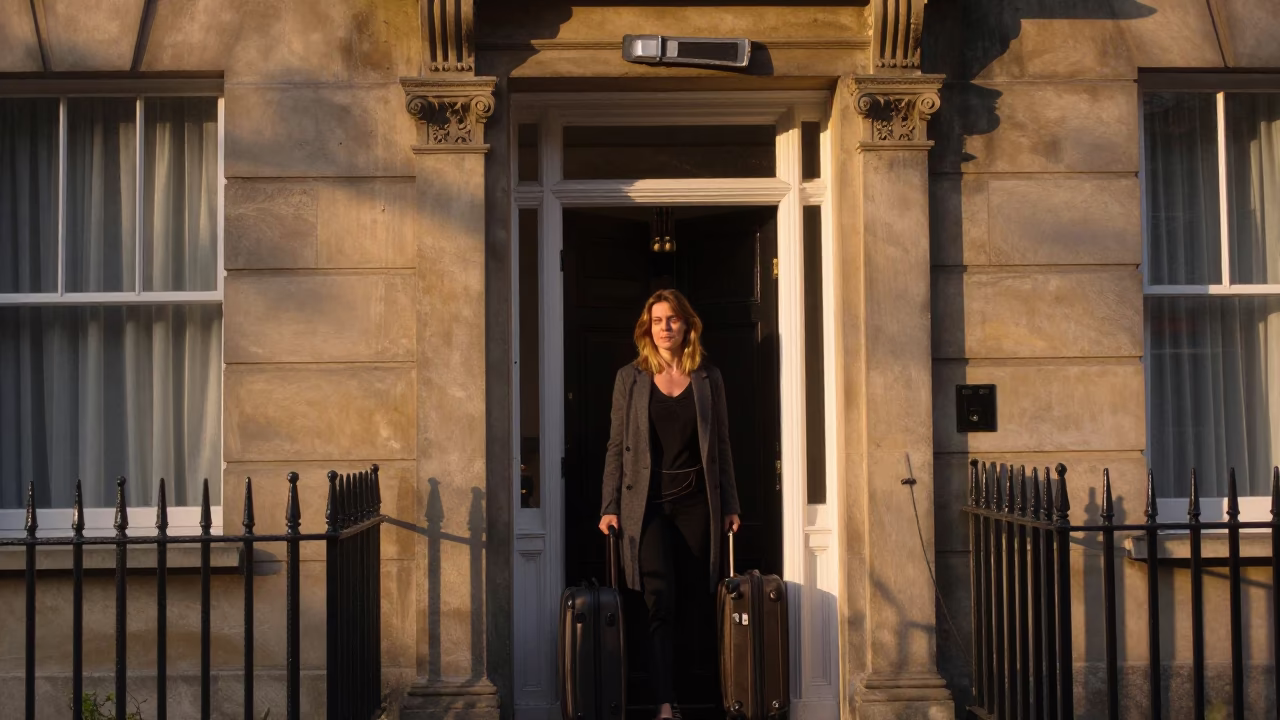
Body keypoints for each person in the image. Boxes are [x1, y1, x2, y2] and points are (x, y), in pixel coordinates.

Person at [598, 288, 742, 720]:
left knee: (697, 600)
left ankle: (705, 695)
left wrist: (731, 502)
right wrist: (609, 504)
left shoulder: (707, 377)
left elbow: (722, 446)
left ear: (686, 326)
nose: (665, 327)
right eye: (658, 320)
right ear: (648, 327)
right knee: (659, 599)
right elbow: (616, 446)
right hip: (648, 508)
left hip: (698, 504)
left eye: (673, 320)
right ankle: (664, 702)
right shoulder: (631, 377)